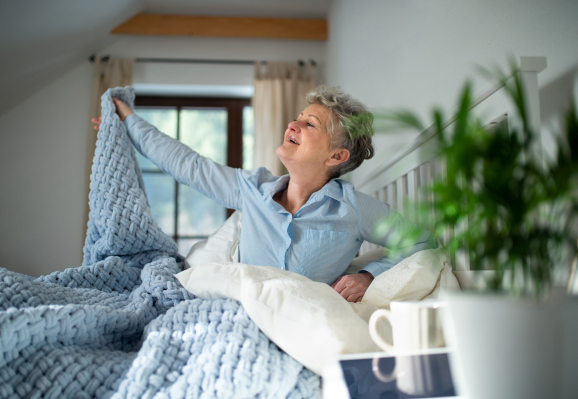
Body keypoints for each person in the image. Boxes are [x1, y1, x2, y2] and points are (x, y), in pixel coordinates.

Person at [92, 86, 437, 302]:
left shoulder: (353, 208)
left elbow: (422, 243)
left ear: (336, 157)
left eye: (310, 124)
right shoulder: (252, 189)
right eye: (298, 118)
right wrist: (128, 120)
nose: (293, 125)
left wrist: (367, 276)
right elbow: (186, 164)